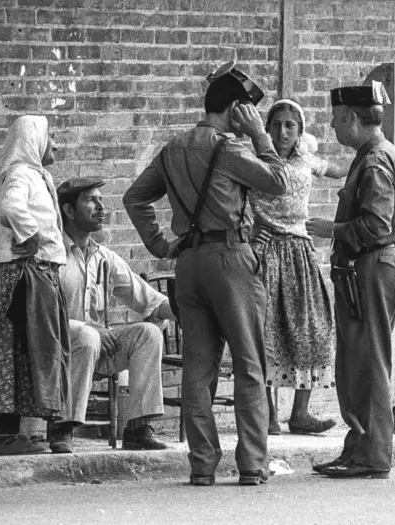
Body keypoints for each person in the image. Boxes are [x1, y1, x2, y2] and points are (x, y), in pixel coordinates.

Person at [122, 61, 288, 486]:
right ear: (236, 109)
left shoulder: (173, 149)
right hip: (231, 259)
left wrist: (162, 245)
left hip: (189, 265)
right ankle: (252, 464)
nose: (247, 116)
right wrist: (259, 135)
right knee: (250, 365)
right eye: (245, 110)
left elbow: (135, 197)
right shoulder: (230, 149)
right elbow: (277, 181)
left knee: (198, 368)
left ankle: (202, 465)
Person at [306, 82, 395, 478]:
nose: (333, 127)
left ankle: (372, 457)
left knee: (369, 363)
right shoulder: (383, 154)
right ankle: (357, 450)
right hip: (376, 265)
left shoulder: (373, 162)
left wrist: (332, 229)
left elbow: (376, 222)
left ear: (352, 118)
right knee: (359, 361)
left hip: (371, 267)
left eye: (337, 119)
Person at [49, 176, 175, 453]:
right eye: (92, 201)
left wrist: (184, 305)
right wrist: (89, 328)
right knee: (86, 334)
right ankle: (62, 427)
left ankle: (137, 428)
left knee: (148, 333)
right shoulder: (52, 253)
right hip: (57, 347)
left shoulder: (103, 257)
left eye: (101, 200)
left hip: (96, 347)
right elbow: (43, 315)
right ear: (69, 211)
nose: (101, 207)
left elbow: (148, 300)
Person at [249, 98, 346, 436]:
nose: (282, 132)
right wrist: (250, 233)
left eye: (290, 125)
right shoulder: (256, 160)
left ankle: (300, 414)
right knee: (266, 332)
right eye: (275, 125)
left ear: (300, 130)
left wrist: (373, 153)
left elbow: (338, 170)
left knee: (314, 329)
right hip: (267, 252)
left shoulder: (307, 160)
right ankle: (268, 415)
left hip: (300, 252)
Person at [0, 115, 71, 456]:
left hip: (16, 274)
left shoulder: (15, 176)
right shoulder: (22, 175)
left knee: (15, 352)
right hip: (27, 277)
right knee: (24, 350)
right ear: (34, 141)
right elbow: (11, 208)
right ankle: (7, 438)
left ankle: (9, 435)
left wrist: (0, 246)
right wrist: (28, 239)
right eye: (51, 137)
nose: (56, 144)